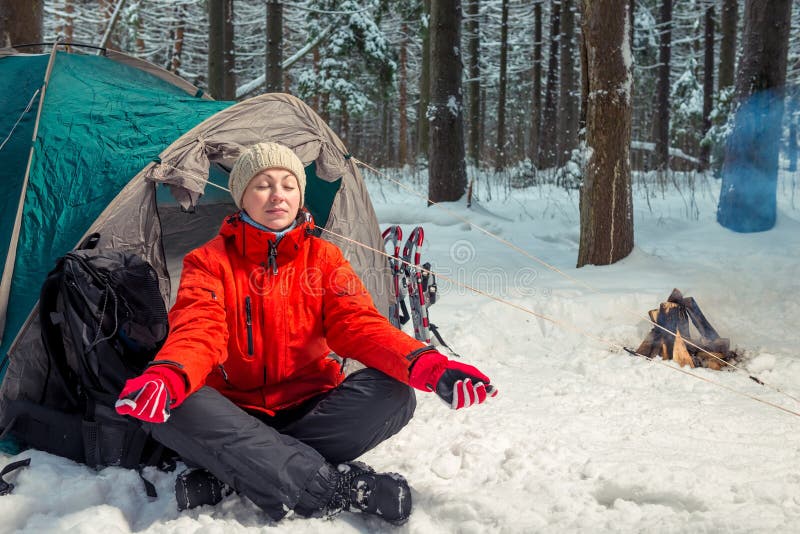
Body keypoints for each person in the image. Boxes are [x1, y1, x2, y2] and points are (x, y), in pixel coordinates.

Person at [115, 142, 498, 525]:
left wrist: (431, 367)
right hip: (233, 413)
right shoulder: (209, 262)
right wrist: (169, 375)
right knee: (172, 408)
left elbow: (360, 325)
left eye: (288, 184)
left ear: (300, 195)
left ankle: (242, 471)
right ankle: (337, 489)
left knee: (395, 394)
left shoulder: (324, 258)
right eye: (263, 185)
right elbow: (200, 329)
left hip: (309, 407)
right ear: (242, 197)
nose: (277, 195)